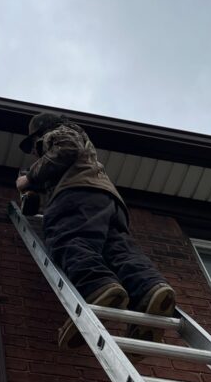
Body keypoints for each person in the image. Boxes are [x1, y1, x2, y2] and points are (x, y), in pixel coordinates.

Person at [16, 112, 176, 348]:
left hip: (77, 196)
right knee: (118, 251)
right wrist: (33, 192)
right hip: (107, 201)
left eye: (33, 144)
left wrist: (28, 178)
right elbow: (60, 166)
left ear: (41, 131)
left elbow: (67, 149)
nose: (33, 151)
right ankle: (149, 290)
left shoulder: (58, 134)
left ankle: (98, 288)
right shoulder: (79, 154)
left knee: (71, 240)